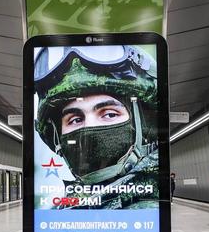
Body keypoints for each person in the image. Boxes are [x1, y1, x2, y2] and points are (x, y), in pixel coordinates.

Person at [34, 45, 158, 209]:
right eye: (76, 119)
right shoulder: (65, 207)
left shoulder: (150, 210)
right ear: (57, 139)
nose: (89, 128)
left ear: (145, 126)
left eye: (109, 114)